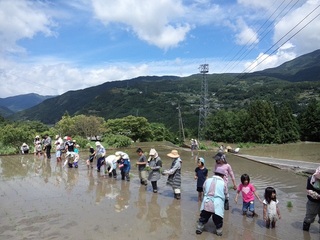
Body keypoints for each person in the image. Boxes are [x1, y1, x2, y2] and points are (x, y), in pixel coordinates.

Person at [195, 167, 227, 236]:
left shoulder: (208, 180)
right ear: (222, 175)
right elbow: (226, 193)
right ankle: (219, 231)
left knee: (203, 217)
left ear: (214, 173)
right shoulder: (223, 183)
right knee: (218, 219)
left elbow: (204, 188)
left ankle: (199, 228)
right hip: (217, 204)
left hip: (207, 202)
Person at [303, 166, 320, 231]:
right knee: (309, 218)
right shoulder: (311, 179)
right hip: (313, 201)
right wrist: (316, 195)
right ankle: (305, 232)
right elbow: (309, 189)